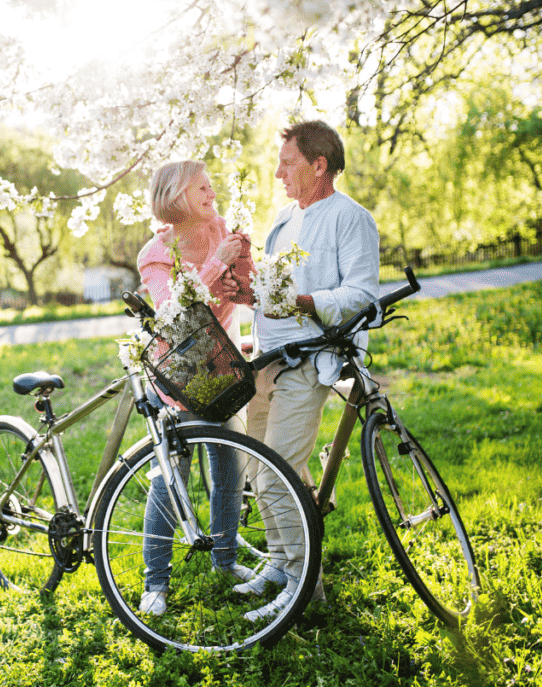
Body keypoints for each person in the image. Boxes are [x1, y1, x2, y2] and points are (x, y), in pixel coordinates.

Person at [230, 120, 380, 620]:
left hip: (307, 361)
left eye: (287, 163)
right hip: (265, 364)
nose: (277, 173)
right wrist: (251, 298)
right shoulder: (282, 218)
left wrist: (304, 301)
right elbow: (275, 297)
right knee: (259, 470)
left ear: (319, 165)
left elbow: (363, 298)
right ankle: (279, 563)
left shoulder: (350, 218)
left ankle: (302, 587)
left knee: (276, 477)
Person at [134, 160, 255, 616]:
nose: (211, 191)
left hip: (224, 368)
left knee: (229, 469)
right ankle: (156, 583)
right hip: (181, 374)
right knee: (172, 478)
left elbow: (246, 291)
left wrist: (242, 272)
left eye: (211, 184)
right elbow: (170, 315)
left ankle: (225, 562)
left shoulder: (220, 228)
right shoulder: (155, 253)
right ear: (177, 196)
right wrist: (215, 264)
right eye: (200, 186)